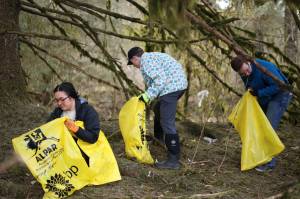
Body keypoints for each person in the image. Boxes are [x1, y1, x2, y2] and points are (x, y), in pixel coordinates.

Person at [127, 47, 188, 169]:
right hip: (177, 85)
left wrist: (147, 96)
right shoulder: (152, 57)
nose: (134, 66)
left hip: (171, 88)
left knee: (167, 122)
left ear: (134, 58)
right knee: (158, 108)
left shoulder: (146, 61)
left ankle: (173, 160)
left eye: (132, 63)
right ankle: (159, 139)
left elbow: (160, 80)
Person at [231, 55, 292, 172]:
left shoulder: (264, 67)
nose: (246, 74)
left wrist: (259, 93)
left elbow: (279, 86)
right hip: (265, 96)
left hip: (280, 95)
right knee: (258, 126)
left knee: (268, 127)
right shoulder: (244, 72)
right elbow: (249, 85)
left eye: (247, 70)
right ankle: (260, 157)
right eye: (243, 73)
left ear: (248, 62)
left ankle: (269, 163)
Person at [48, 82, 100, 165]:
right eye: (57, 100)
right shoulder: (57, 112)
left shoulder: (87, 111)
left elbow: (93, 137)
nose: (59, 103)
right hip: (62, 152)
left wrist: (76, 129)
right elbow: (48, 129)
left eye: (62, 99)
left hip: (85, 154)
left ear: (71, 96)